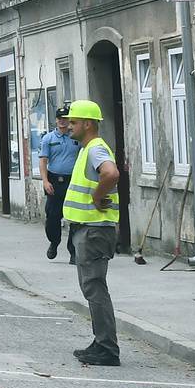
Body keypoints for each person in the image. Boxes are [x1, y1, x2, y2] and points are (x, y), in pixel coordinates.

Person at [60, 100, 121, 366]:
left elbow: (110, 174)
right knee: (92, 288)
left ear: (88, 124)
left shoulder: (96, 149)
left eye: (73, 122)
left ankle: (107, 348)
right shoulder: (88, 149)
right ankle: (101, 342)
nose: (69, 126)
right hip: (88, 229)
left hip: (94, 230)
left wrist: (98, 197)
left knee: (95, 288)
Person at [34, 107, 80, 263]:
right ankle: (54, 242)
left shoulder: (76, 138)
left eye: (65, 118)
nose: (62, 121)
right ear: (56, 120)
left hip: (72, 181)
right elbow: (43, 161)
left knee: (75, 217)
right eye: (59, 118)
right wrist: (45, 181)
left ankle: (73, 251)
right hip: (54, 180)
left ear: (69, 120)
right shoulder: (48, 139)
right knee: (53, 216)